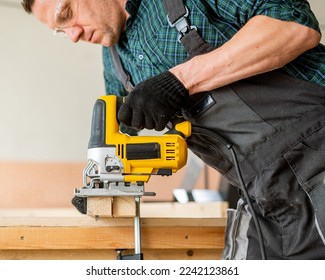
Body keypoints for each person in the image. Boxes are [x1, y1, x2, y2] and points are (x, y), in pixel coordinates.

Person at [21, 0, 325, 260]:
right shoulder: (115, 59)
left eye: (66, 13)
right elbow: (119, 138)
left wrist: (180, 80)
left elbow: (293, 26)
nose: (72, 35)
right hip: (265, 199)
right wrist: (105, 180)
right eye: (60, 31)